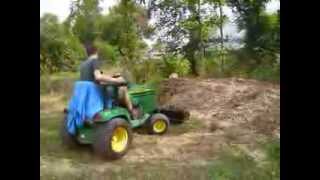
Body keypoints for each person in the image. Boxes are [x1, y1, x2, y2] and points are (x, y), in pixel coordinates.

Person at [79, 43, 138, 118]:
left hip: (90, 94)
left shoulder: (83, 65)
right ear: (96, 52)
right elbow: (98, 77)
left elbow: (93, 79)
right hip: (98, 93)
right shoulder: (94, 61)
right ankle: (131, 111)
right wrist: (117, 80)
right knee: (123, 89)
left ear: (87, 53)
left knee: (112, 87)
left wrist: (111, 77)